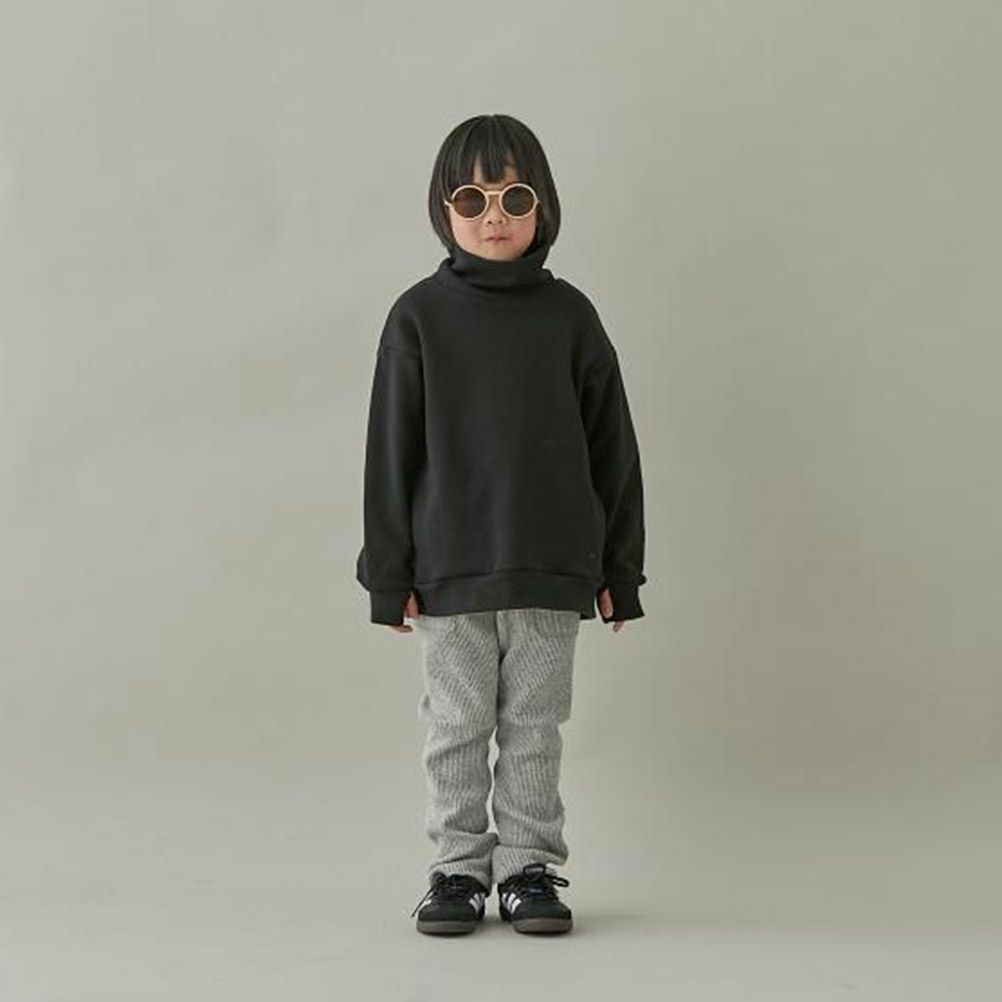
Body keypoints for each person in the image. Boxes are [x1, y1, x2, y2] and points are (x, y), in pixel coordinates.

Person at [355, 114, 647, 936]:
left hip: (552, 566)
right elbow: (390, 453)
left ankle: (527, 869)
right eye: (472, 198)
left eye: (515, 197)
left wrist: (620, 571)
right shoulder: (417, 318)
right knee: (456, 725)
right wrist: (388, 575)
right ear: (443, 209)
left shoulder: (571, 317)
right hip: (448, 571)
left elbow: (614, 450)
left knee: (534, 728)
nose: (494, 215)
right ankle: (456, 869)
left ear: (542, 206)